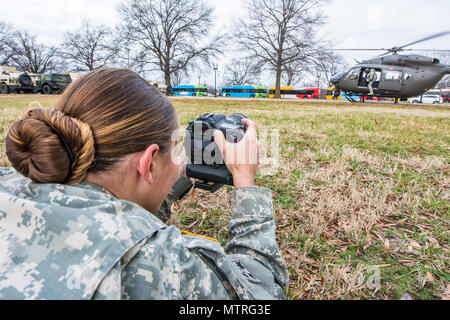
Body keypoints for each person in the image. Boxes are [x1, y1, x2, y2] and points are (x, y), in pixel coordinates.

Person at [0, 68, 288, 300]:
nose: (179, 160)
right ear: (147, 163)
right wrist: (245, 181)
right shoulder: (157, 263)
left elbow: (115, 211)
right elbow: (261, 291)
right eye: (175, 148)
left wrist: (174, 175)